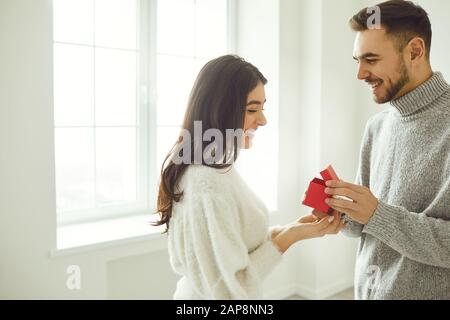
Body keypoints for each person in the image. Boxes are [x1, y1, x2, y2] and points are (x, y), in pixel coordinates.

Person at [154, 55, 345, 299]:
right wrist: (290, 237)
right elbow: (227, 292)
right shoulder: (205, 183)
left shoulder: (217, 168)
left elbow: (235, 245)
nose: (263, 120)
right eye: (253, 109)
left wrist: (294, 229)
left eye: (262, 108)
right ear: (221, 109)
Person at [323, 0, 450, 299]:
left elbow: (380, 217)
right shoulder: (376, 127)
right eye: (357, 60)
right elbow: (365, 225)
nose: (360, 74)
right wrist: (341, 213)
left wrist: (379, 214)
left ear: (415, 51)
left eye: (371, 59)